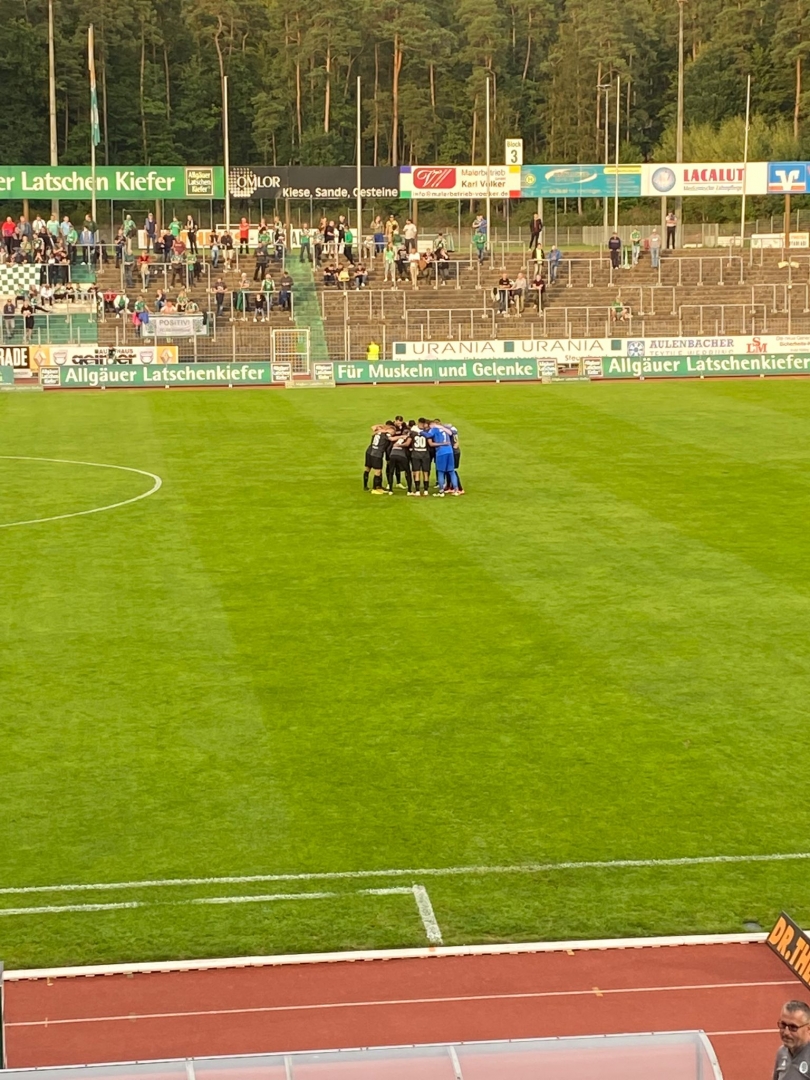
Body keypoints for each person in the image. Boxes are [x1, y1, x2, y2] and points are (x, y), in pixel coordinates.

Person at [420, 418, 460, 496]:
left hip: (441, 452)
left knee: (441, 472)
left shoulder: (434, 429)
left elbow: (429, 435)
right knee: (451, 471)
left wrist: (421, 432)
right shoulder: (445, 428)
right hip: (450, 451)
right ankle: (456, 490)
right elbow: (451, 433)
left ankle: (441, 491)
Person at [774, 1001, 810, 1080]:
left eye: (793, 1027)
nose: (786, 1033)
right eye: (783, 1025)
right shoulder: (781, 1053)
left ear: (808, 1029)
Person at [365, 424, 393, 493]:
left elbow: (373, 428)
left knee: (368, 468)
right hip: (377, 454)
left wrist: (382, 429)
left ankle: (372, 486)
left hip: (370, 451)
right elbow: (391, 439)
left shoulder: (377, 432)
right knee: (378, 471)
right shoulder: (386, 435)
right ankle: (375, 489)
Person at [409, 422, 432, 496]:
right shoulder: (426, 433)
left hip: (415, 454)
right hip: (425, 455)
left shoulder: (413, 433)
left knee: (417, 472)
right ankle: (426, 490)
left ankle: (417, 491)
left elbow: (409, 442)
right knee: (425, 473)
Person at [387, 428, 413, 493]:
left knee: (391, 472)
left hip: (392, 455)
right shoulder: (408, 438)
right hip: (401, 455)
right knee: (408, 471)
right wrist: (400, 445)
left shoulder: (397, 438)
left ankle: (390, 490)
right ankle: (409, 491)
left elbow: (391, 440)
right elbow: (407, 444)